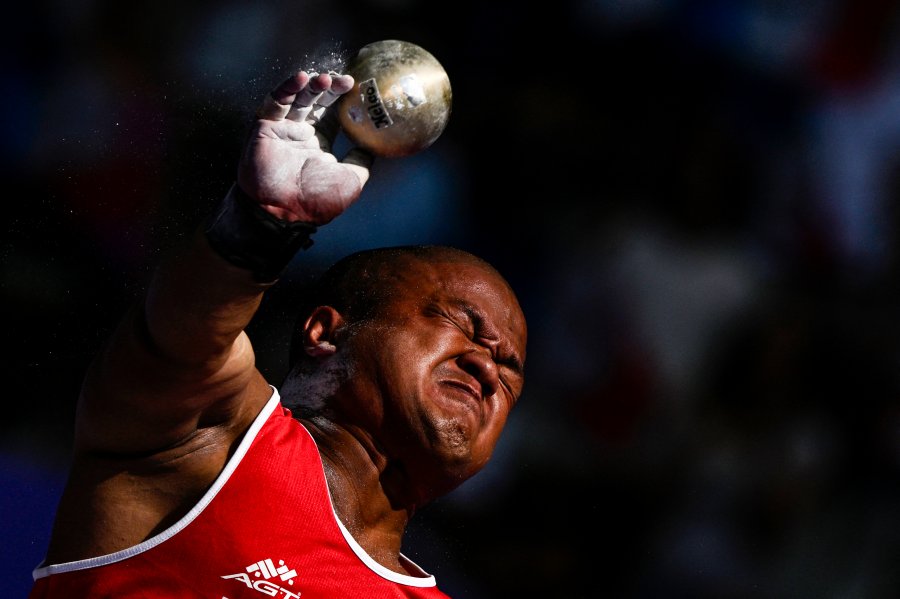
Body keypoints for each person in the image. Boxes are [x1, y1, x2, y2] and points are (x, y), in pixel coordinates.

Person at [28, 68, 527, 598]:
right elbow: (181, 343)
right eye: (460, 324)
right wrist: (259, 225)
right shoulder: (208, 446)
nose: (486, 366)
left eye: (510, 368)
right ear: (324, 334)